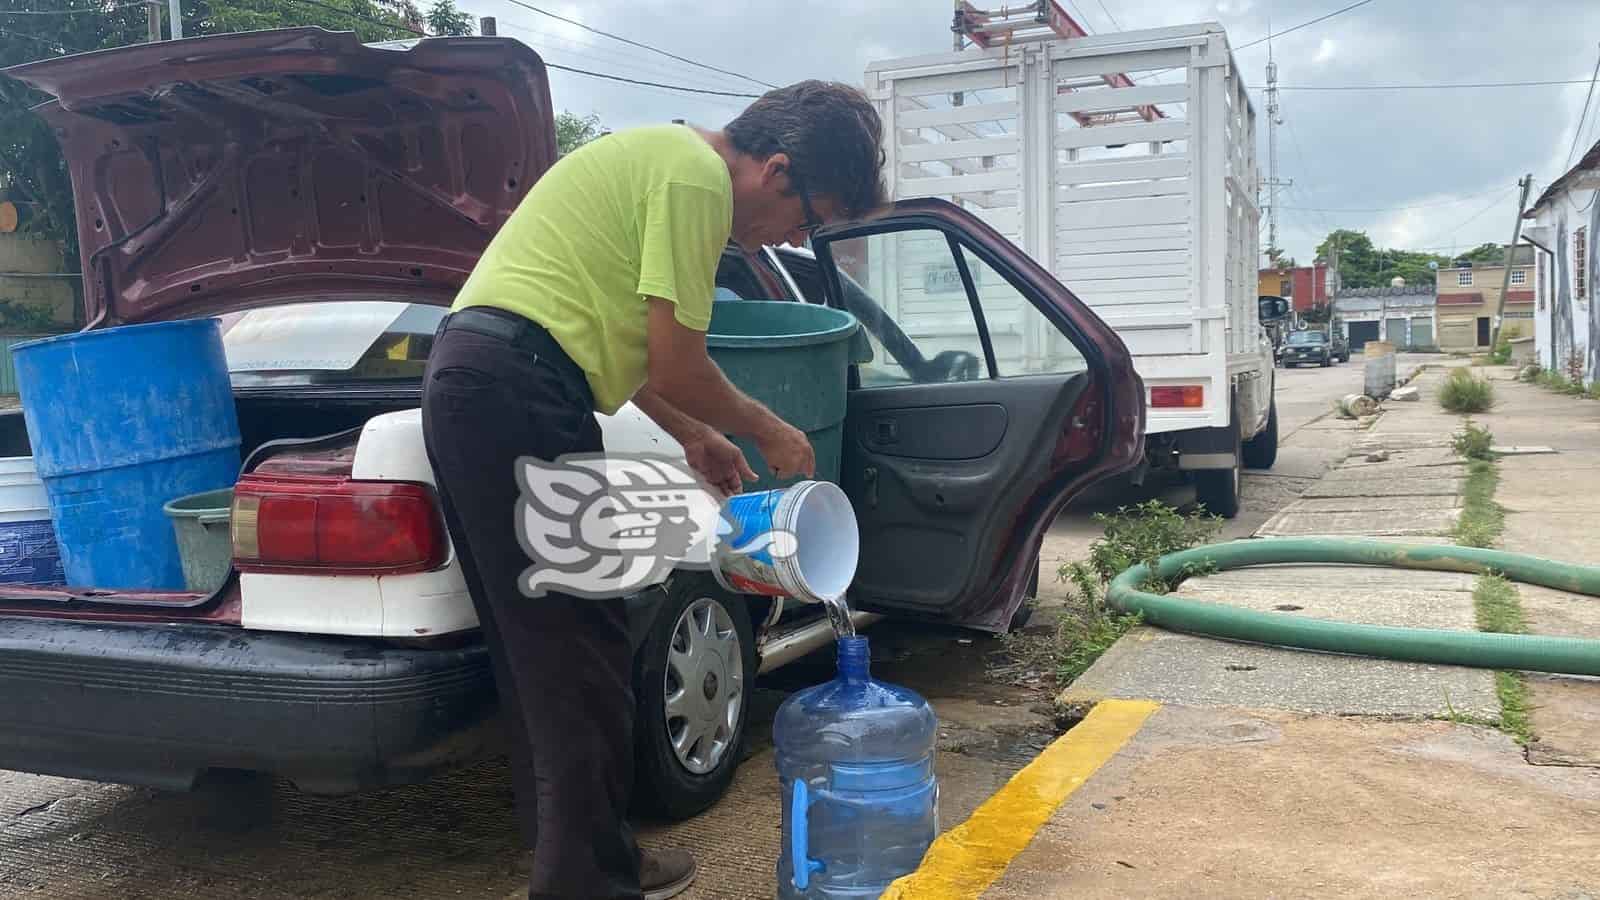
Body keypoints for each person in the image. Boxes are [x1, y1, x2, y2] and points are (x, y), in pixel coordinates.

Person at [419, 81, 888, 900]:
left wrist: (695, 434)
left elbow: (612, 340)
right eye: (810, 220)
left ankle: (587, 855)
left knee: (545, 652)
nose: (789, 238)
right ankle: (588, 882)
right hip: (516, 392)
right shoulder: (695, 179)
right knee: (583, 646)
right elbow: (678, 360)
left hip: (487, 382)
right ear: (779, 171)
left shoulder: (661, 158)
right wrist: (768, 429)